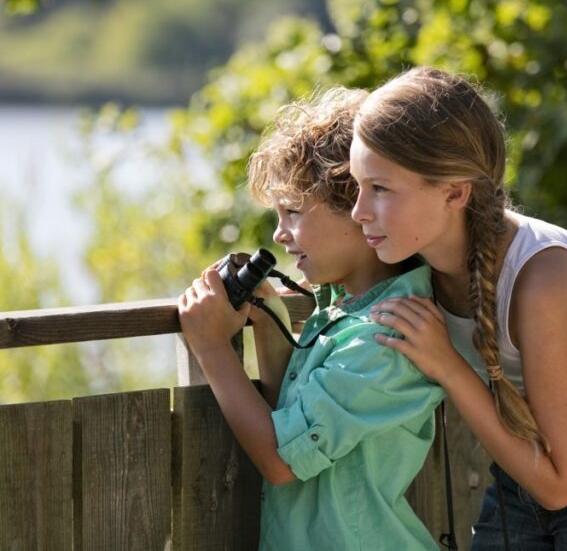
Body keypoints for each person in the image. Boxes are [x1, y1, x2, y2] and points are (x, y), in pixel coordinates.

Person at [348, 67, 567, 550]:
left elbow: (558, 485)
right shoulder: (410, 256)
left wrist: (449, 366)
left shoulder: (542, 280)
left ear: (453, 191)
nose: (358, 210)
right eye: (357, 185)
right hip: (527, 467)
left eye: (380, 189)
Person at [177, 86, 446, 550]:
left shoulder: (386, 335)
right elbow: (297, 416)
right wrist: (269, 319)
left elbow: (282, 459)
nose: (280, 233)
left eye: (293, 212)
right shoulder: (345, 307)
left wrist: (211, 347)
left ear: (361, 210)